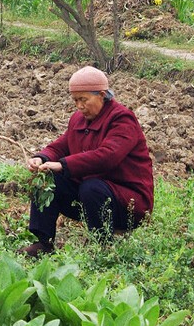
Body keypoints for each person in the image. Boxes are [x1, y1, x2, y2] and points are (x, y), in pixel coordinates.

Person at [19, 65, 154, 258]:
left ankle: (103, 247)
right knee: (47, 179)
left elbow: (108, 156)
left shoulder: (122, 119)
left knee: (91, 187)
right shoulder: (78, 119)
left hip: (127, 203)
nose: (79, 106)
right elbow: (61, 145)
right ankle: (43, 242)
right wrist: (42, 158)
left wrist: (63, 165)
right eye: (75, 100)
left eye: (84, 100)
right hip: (91, 197)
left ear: (101, 95)